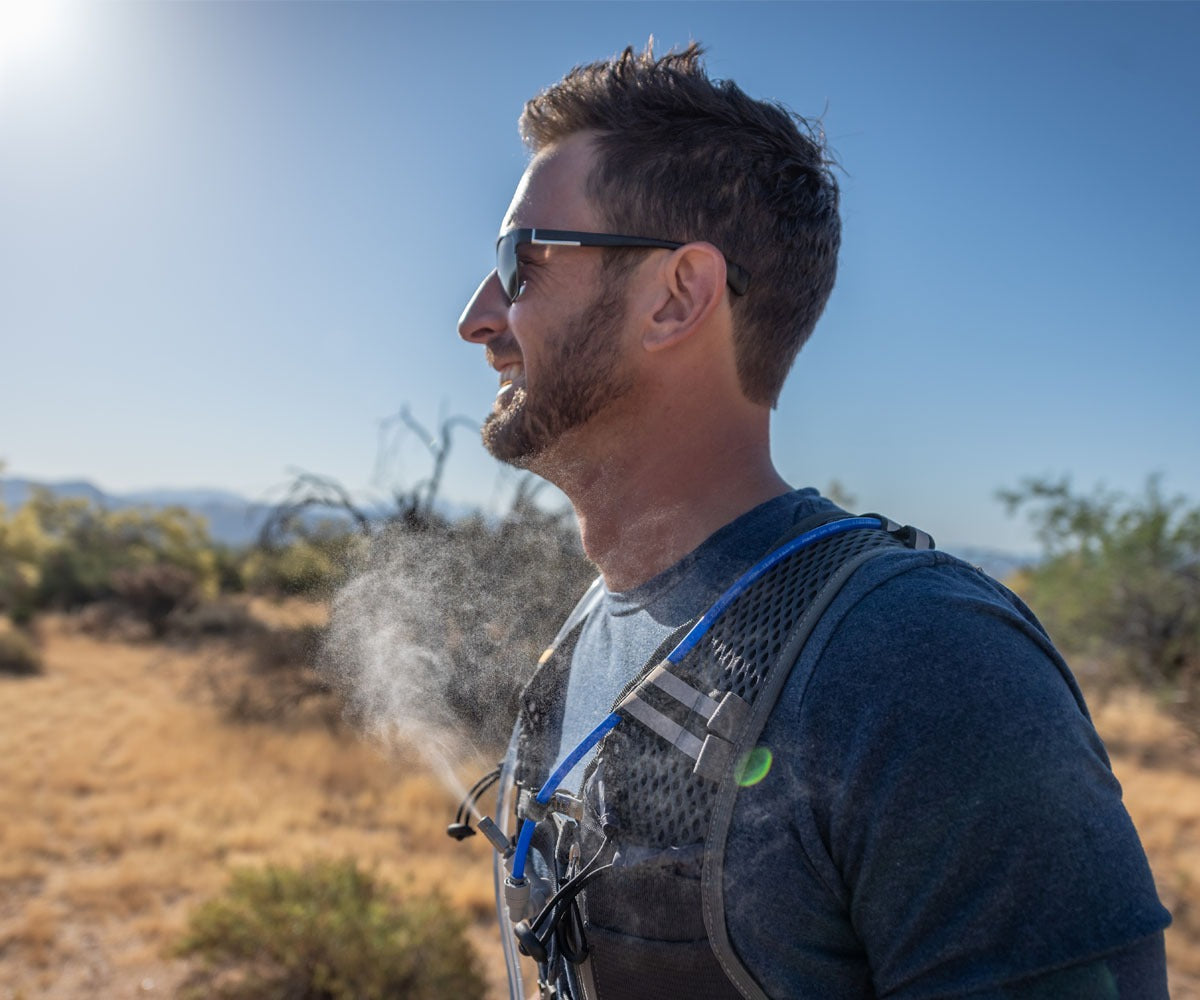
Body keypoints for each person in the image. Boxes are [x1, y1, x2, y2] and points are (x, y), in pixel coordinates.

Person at [456, 43, 1170, 1000]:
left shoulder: (925, 663)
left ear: (676, 298)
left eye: (521, 262)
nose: (477, 315)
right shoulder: (597, 623)